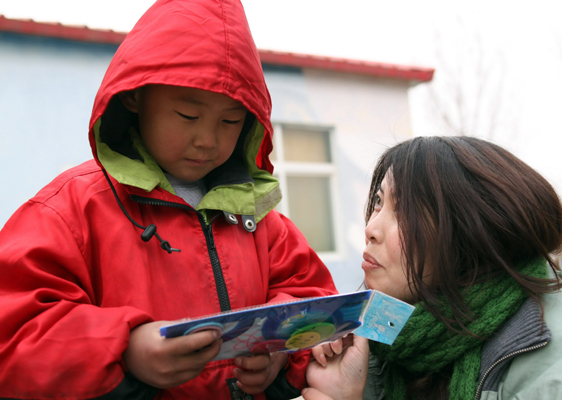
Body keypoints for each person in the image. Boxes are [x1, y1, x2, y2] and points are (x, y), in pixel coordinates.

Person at [0, 1, 337, 399]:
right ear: (134, 97)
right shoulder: (71, 209)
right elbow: (15, 331)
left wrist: (280, 352)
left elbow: (314, 299)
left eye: (230, 121)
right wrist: (124, 350)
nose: (207, 140)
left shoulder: (258, 217)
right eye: (187, 115)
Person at [303, 136, 562, 400]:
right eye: (379, 202)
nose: (370, 228)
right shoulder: (380, 341)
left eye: (406, 213)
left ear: (469, 235)